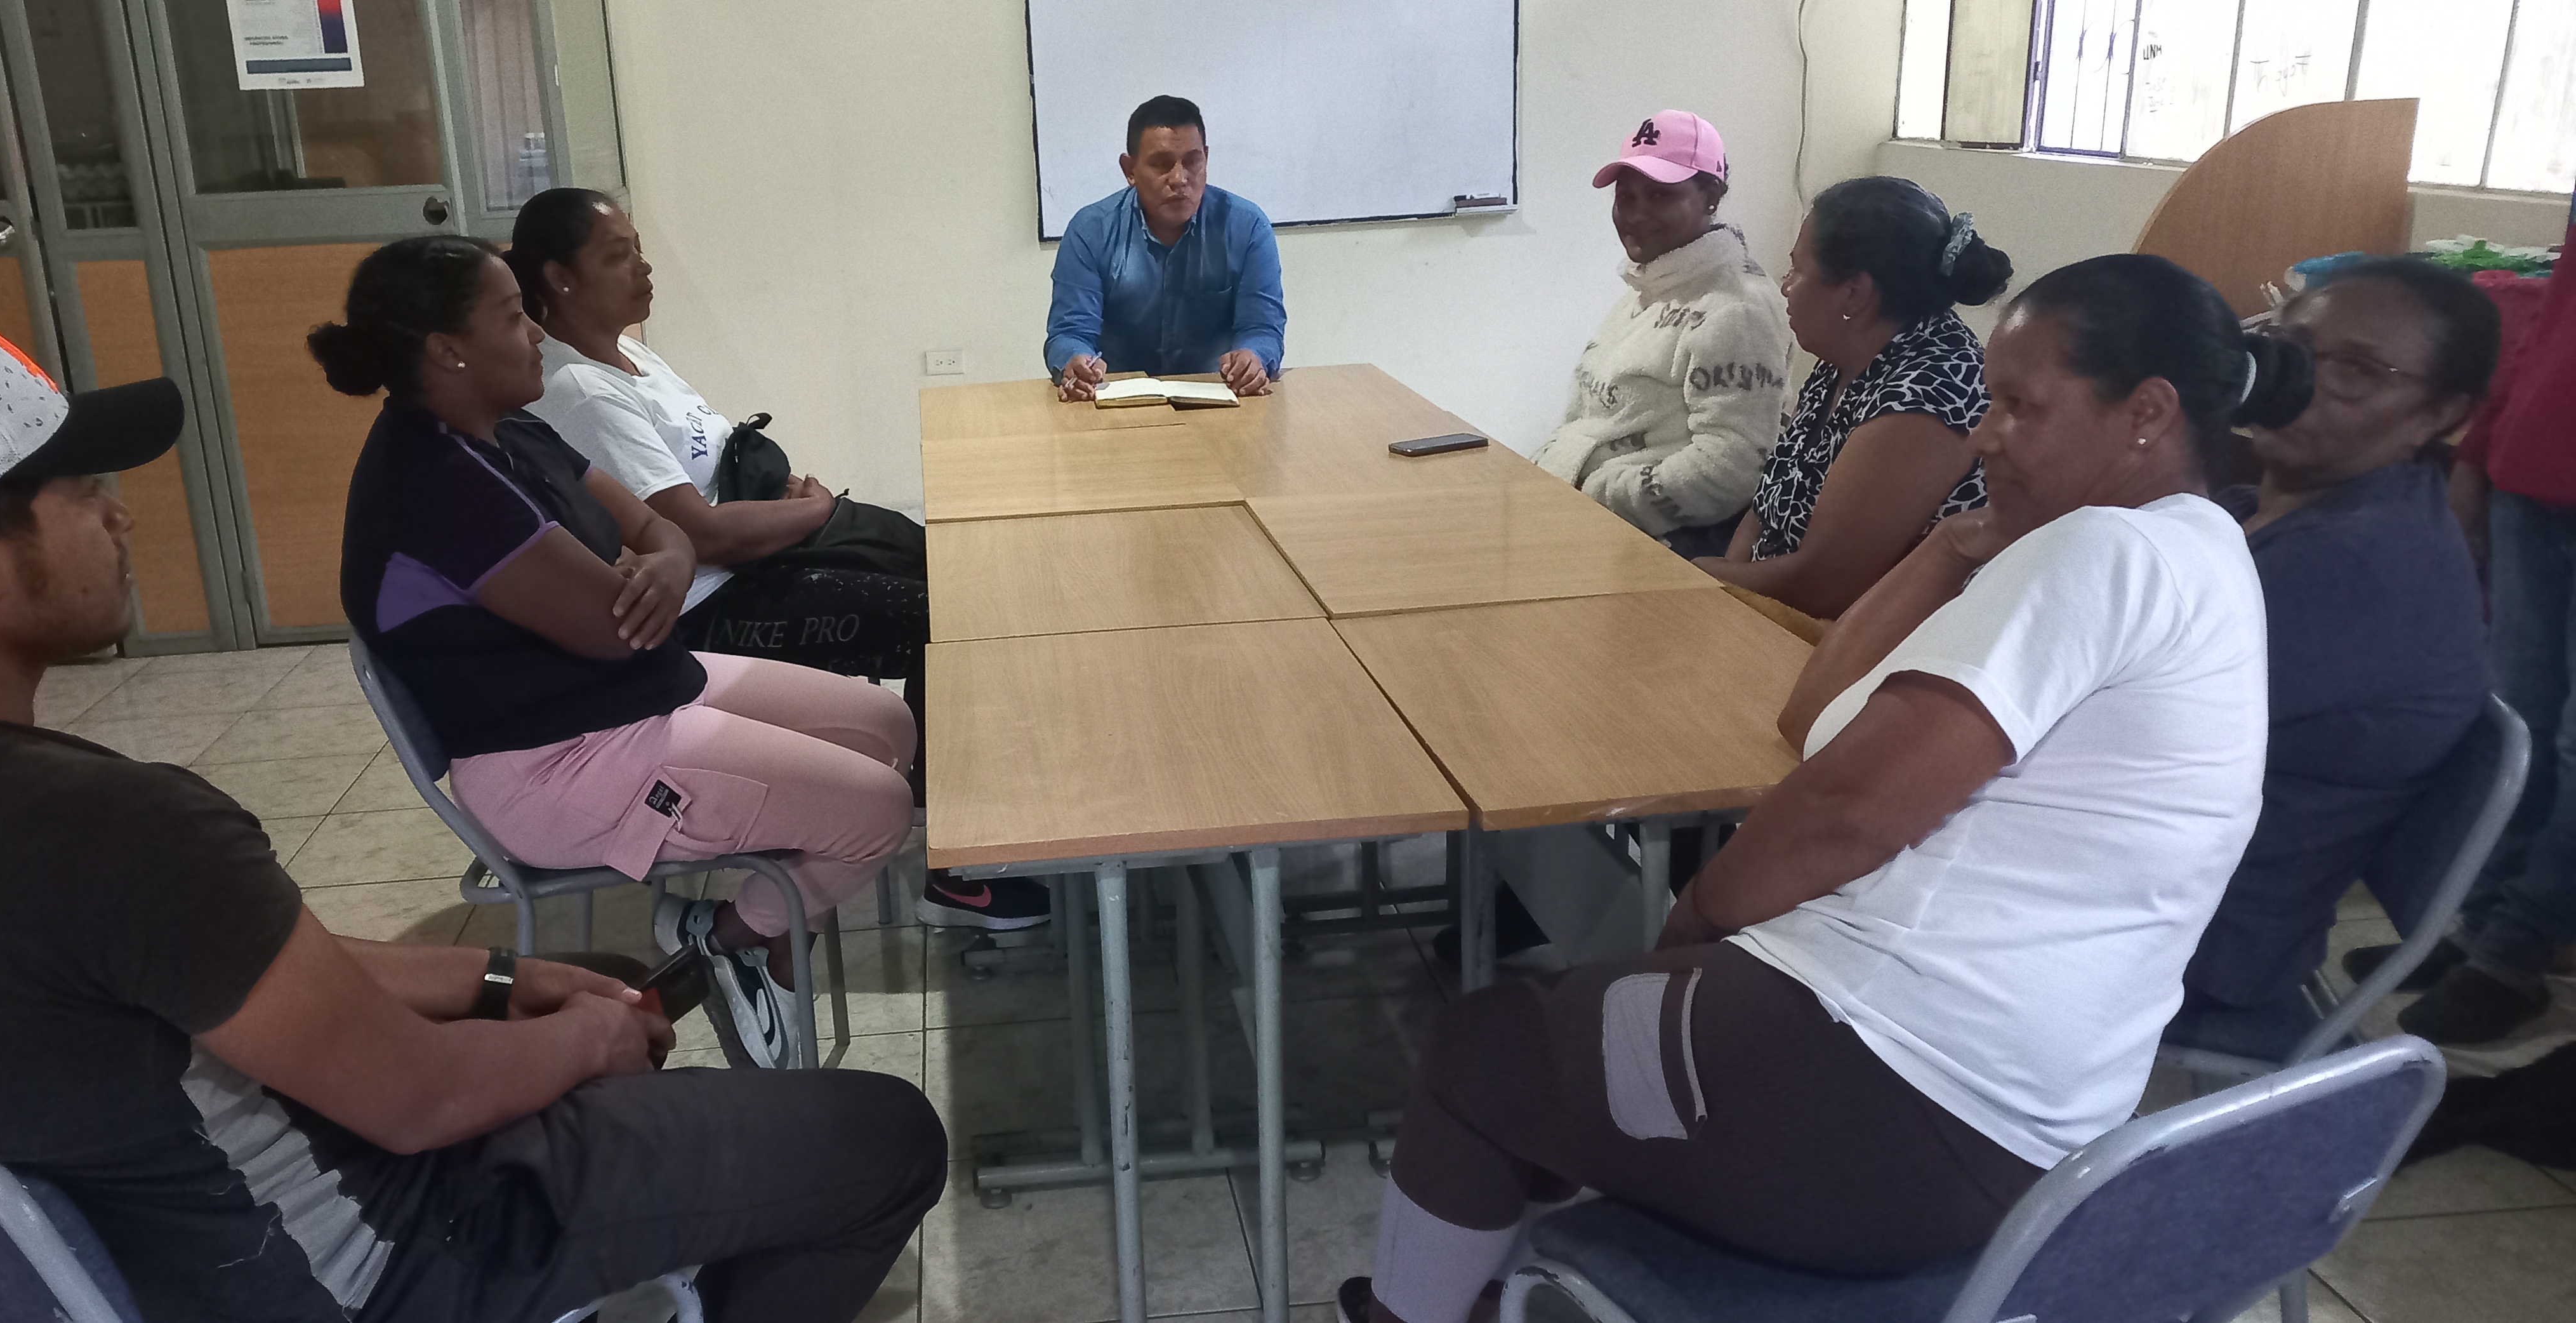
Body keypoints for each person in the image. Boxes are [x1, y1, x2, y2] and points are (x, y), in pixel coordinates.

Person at [0, 312, 946, 1323]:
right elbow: (417, 1099)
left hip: (196, 1249)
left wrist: (497, 978)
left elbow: (223, 965)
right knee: (884, 1136)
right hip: (372, 1261)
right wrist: (582, 1041)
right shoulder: (100, 824)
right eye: (80, 489)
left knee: (598, 990)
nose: (119, 514)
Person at [1338, 253, 2293, 1323]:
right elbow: (1815, 713)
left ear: (2146, 413)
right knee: (1565, 1052)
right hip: (2007, 1107)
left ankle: (1409, 1310)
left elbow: (1844, 812)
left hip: (1898, 1091)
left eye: (2021, 407)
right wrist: (1958, 540)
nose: (1986, 437)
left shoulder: (2101, 551)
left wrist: (1694, 920)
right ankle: (1496, 1283)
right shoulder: (2193, 554)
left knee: (1478, 1053)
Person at [321, 235, 913, 1069]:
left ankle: (741, 935)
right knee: (878, 809)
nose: (537, 331)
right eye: (513, 317)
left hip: (635, 691)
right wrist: (658, 569)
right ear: (449, 351)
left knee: (886, 725)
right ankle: (734, 940)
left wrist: (664, 561)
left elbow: (657, 529)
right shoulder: (437, 484)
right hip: (558, 764)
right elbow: (615, 622)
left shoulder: (508, 426)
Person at [502, 188, 1048, 935]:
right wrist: (811, 511)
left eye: (638, 248)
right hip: (709, 608)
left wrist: (781, 502)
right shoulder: (579, 391)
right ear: (561, 279)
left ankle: (970, 809)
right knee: (942, 619)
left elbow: (716, 471)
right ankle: (955, 871)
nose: (645, 266)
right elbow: (701, 534)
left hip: (752, 561)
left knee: (956, 573)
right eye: (619, 255)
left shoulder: (631, 355)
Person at [2170, 258, 2495, 1044]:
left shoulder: (2353, 566)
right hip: (2177, 905)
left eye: (2355, 370)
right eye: (2287, 347)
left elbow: (2082, 727)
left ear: (2441, 414)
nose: (2295, 381)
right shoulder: (2274, 510)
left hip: (2184, 944)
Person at [2370, 201, 2576, 1043]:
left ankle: (2515, 950)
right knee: (2516, 716)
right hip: (2539, 461)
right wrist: (2482, 449)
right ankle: (2479, 922)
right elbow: (2556, 315)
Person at [1697, 176, 2012, 618]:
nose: (1785, 286)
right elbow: (1766, 508)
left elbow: (1823, 587)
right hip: (1773, 602)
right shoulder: (1848, 353)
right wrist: (1727, 581)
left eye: (1797, 270)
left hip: (1866, 632)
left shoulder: (1927, 395)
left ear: (1854, 293)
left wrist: (1695, 575)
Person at [1532, 110, 1792, 558]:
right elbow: (1589, 421)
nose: (1636, 215)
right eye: (1626, 197)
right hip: (1583, 513)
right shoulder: (1651, 286)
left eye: (1660, 195)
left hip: (1651, 546)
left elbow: (1731, 467)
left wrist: (1595, 493)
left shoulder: (1737, 308)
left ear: (1711, 197)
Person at [1046, 95, 1284, 400]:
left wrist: (1254, 357)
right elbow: (1070, 332)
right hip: (1115, 404)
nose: (1180, 179)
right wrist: (1075, 361)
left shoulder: (1246, 227)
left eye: (1192, 162)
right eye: (1161, 164)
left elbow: (1262, 328)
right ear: (1130, 170)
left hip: (1219, 401)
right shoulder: (1091, 231)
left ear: (1206, 158)